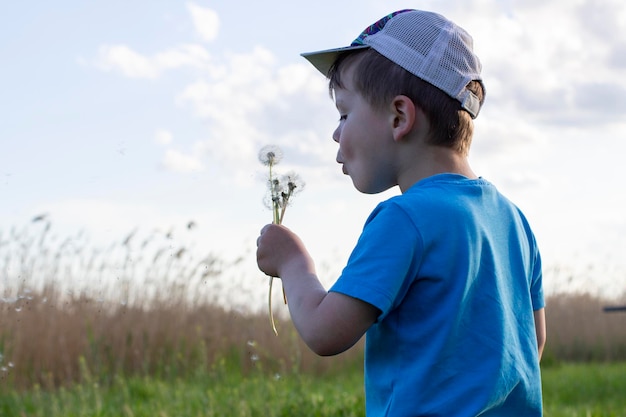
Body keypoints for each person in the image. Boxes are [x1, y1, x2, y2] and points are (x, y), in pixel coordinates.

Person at [256, 9, 546, 416]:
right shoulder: (514, 220)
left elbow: (325, 332)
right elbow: (532, 342)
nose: (336, 133)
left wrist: (293, 263)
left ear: (399, 117)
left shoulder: (405, 219)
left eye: (344, 113)